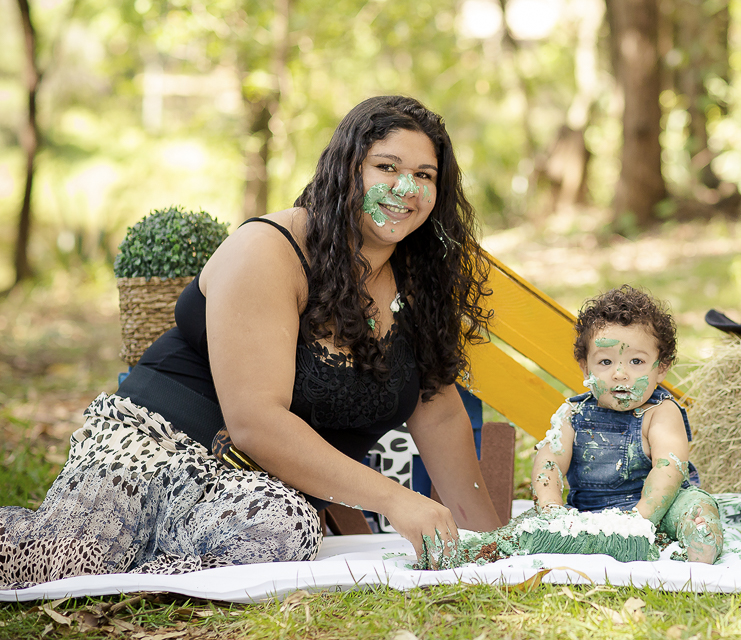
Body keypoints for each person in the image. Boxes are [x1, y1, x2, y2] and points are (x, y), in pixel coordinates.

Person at [0, 96, 502, 587]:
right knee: (58, 558)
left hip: (261, 503)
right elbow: (254, 423)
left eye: (425, 175)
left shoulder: (420, 283)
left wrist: (496, 548)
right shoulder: (270, 249)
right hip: (153, 453)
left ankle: (138, 575)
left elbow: (437, 414)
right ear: (348, 170)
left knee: (282, 526)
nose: (406, 188)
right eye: (386, 167)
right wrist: (395, 499)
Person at [532, 286, 724, 564]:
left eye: (636, 361)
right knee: (535, 526)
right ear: (585, 367)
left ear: (661, 367)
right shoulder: (572, 414)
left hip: (658, 508)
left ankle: (700, 536)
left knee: (695, 504)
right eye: (606, 361)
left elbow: (669, 467)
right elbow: (548, 463)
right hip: (591, 514)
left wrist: (640, 519)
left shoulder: (660, 412)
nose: (620, 374)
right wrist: (552, 509)